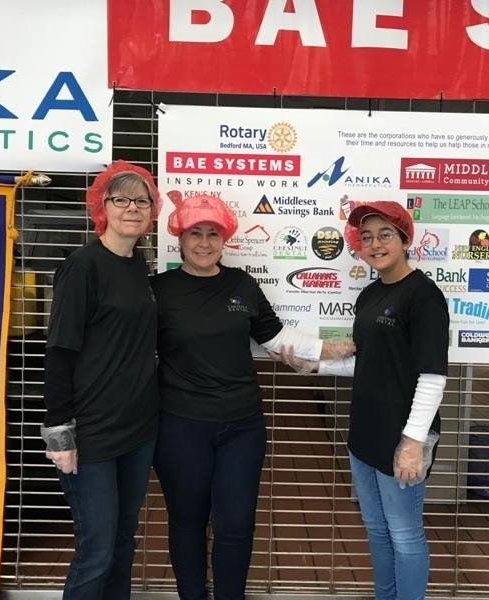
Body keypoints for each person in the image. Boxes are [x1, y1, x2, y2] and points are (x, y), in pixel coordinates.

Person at [150, 191, 353, 600]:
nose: (204, 242)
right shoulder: (157, 290)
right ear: (179, 238)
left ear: (225, 238)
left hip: (241, 426)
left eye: (213, 233)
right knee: (187, 521)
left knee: (237, 523)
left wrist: (333, 349)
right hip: (180, 426)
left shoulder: (242, 284)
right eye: (195, 233)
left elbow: (276, 338)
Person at [280, 201, 449, 600]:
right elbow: (368, 365)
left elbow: (432, 376)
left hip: (402, 439)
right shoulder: (370, 294)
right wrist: (314, 367)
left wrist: (411, 443)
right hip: (364, 434)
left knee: (406, 535)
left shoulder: (424, 297)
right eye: (367, 237)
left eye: (385, 234)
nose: (375, 244)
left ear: (405, 239)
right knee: (376, 530)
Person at [41, 160, 162, 600]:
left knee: (123, 541)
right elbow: (58, 352)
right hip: (90, 434)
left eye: (141, 200)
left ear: (152, 210)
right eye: (121, 199)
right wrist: (60, 433)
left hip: (138, 430)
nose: (132, 207)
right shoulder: (82, 267)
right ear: (102, 207)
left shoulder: (137, 265)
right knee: (97, 547)